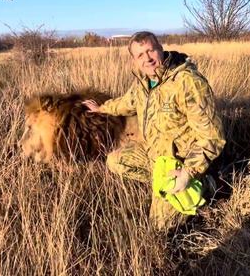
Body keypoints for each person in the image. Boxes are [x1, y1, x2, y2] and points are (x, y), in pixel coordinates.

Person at [83, 31, 225, 230]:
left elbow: (212, 136)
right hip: (154, 157)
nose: (147, 58)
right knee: (115, 161)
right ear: (134, 60)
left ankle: (207, 184)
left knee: (158, 227)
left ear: (161, 49)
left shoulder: (187, 82)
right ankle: (162, 183)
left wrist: (188, 172)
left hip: (181, 162)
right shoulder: (142, 82)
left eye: (151, 51)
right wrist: (101, 108)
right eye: (140, 55)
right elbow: (126, 103)